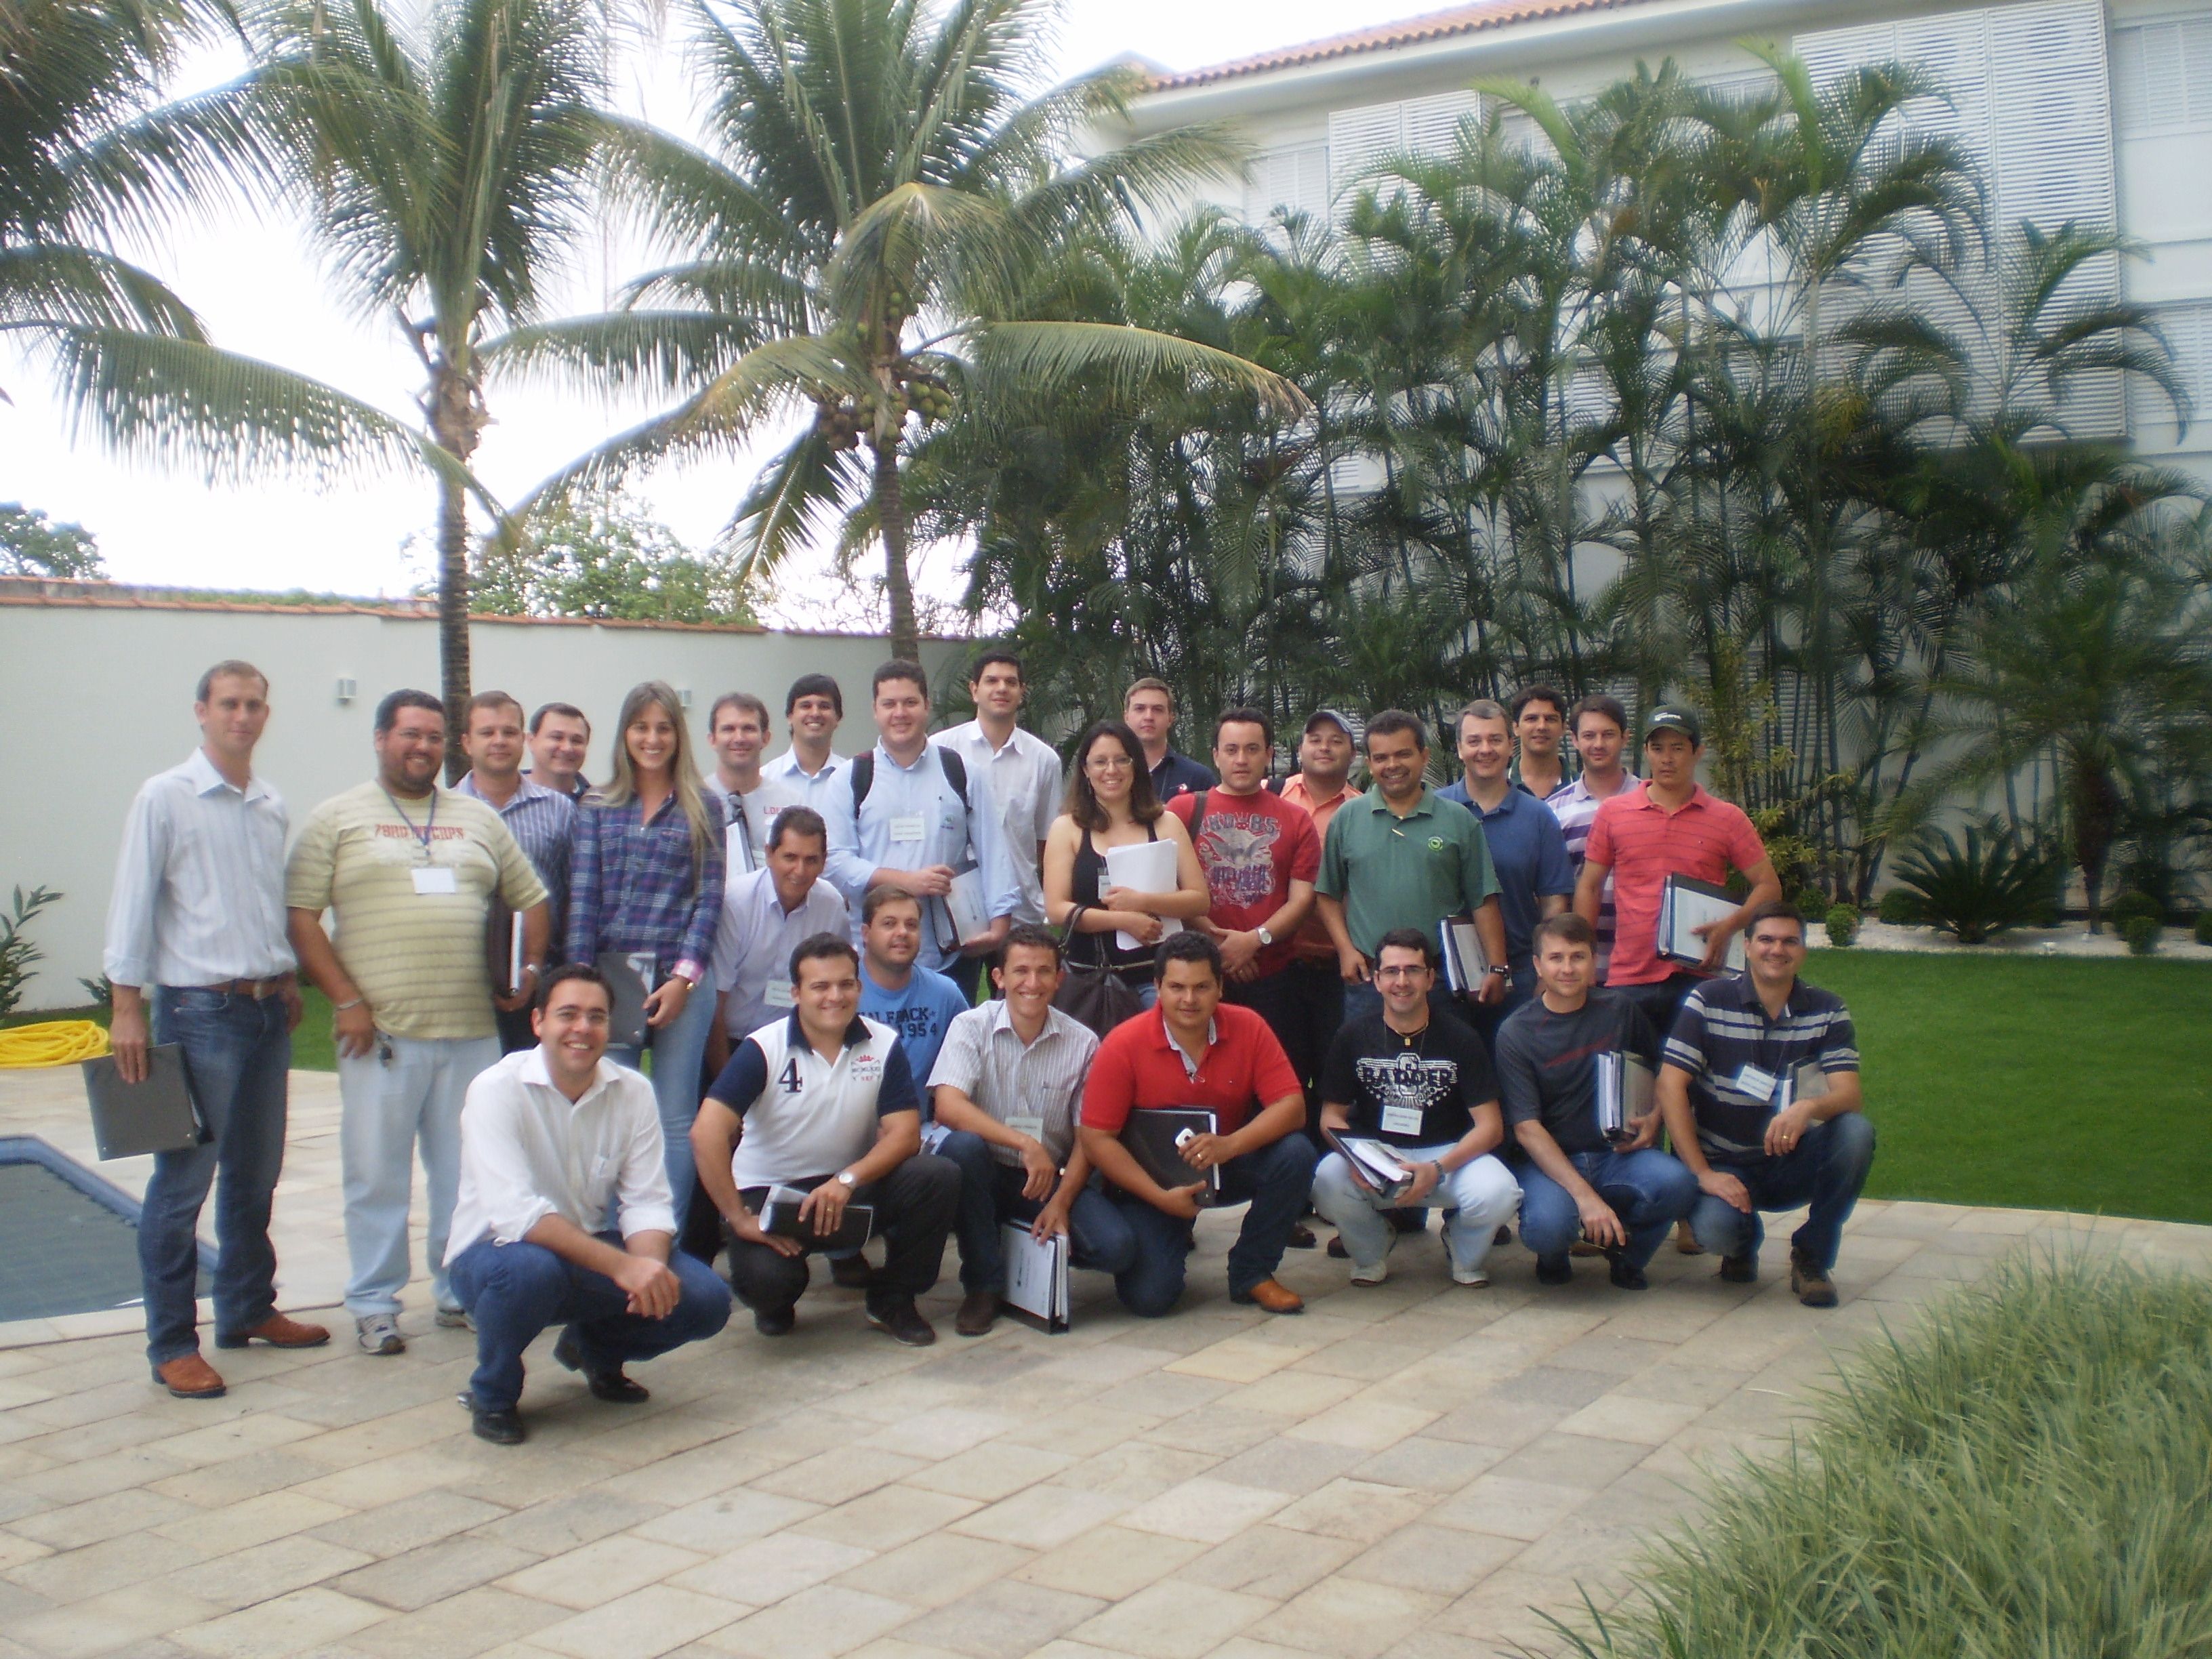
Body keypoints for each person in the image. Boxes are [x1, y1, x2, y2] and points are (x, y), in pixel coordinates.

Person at [287, 689, 550, 1355]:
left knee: (467, 1175)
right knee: (375, 1176)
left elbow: (533, 899)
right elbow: (299, 917)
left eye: (434, 737)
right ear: (381, 739)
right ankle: (375, 1304)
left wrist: (529, 969)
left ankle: (458, 1289)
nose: (422, 748)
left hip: (470, 1033)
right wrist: (346, 999)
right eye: (410, 735)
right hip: (381, 1036)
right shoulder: (336, 818)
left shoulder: (478, 819)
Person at [105, 661, 327, 1399]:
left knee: (256, 1174)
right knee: (183, 1182)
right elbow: (133, 901)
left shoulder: (269, 804)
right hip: (198, 1012)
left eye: (255, 704)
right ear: (201, 710)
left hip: (266, 1011)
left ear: (267, 713)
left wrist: (288, 975)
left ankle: (247, 1308)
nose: (243, 716)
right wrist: (126, 1006)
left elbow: (265, 903)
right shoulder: (164, 798)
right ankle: (172, 1342)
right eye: (229, 703)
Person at [444, 965, 732, 1444]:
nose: (582, 1028)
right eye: (568, 1014)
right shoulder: (496, 1089)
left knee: (706, 1300)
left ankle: (593, 1349)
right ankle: (493, 1393)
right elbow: (518, 1214)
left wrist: (649, 1272)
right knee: (532, 1272)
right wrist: (625, 1269)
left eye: (596, 1017)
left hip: (588, 1250)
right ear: (538, 1022)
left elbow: (647, 1200)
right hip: (495, 1255)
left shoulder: (633, 1091)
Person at [692, 933, 960, 1345]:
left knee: (935, 1175)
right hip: (770, 1194)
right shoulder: (763, 1048)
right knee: (769, 1281)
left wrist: (846, 1180)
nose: (834, 996)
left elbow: (905, 1135)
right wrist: (737, 1217)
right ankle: (776, 1303)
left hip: (845, 1188)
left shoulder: (883, 1043)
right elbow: (706, 1131)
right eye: (820, 986)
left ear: (859, 986)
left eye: (845, 984)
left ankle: (893, 1298)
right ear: (796, 993)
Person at [1078, 933, 1318, 1317]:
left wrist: (1232, 1145)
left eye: (1202, 987)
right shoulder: (1123, 1044)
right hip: (1152, 1182)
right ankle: (1167, 1235)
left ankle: (1253, 1272)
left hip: (1224, 1162)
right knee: (1151, 1299)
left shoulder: (1249, 1027)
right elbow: (1096, 1138)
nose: (1189, 1000)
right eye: (1177, 987)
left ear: (1220, 987)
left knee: (1296, 1153)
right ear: (1157, 987)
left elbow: (1292, 1107)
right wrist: (1160, 1199)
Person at [1658, 902, 1875, 1307]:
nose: (1778, 950)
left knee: (1856, 1132)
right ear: (1747, 946)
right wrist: (1703, 1174)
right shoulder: (1708, 1000)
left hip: (1791, 1159)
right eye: (1767, 940)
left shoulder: (1827, 1009)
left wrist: (1807, 1109)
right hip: (1725, 1162)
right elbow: (1671, 1086)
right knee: (1716, 1232)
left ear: (1804, 950)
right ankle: (1741, 1245)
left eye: (1790, 941)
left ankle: (1812, 1256)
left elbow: (1850, 1096)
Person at [567, 680, 726, 1227]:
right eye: (641, 727)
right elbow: (583, 899)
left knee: (675, 1117)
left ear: (678, 736)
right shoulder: (596, 806)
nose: (652, 739)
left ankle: (666, 1242)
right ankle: (613, 1237)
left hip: (683, 979)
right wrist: (583, 987)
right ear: (625, 734)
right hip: (615, 982)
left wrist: (684, 976)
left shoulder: (704, 804)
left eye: (663, 728)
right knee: (612, 1114)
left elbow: (709, 900)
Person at [931, 925, 1135, 1336]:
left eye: (1044, 972)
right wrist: (1023, 1142)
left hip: (1044, 1179)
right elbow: (948, 1107)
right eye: (1021, 971)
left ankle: (1012, 1239)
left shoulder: (1083, 1043)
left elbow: (1088, 1137)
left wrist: (1061, 1201)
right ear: (999, 978)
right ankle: (983, 1287)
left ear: (1060, 979)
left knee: (1117, 1248)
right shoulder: (971, 1025)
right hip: (984, 1170)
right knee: (963, 1148)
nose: (1032, 983)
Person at [1494, 914, 1696, 1290]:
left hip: (1616, 1155)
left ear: (1593, 961)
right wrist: (1586, 1198)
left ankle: (1629, 1256)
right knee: (1547, 1228)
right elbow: (1527, 1128)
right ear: (1538, 965)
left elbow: (1661, 1075)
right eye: (1556, 958)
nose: (1567, 968)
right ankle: (1552, 1255)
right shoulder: (1516, 1032)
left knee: (1678, 1183)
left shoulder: (1620, 1010)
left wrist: (1654, 1118)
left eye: (1578, 957)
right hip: (1549, 1161)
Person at [1311, 930, 1520, 1288]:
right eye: (1391, 971)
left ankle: (1462, 1244)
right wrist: (1357, 1159)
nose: (1402, 981)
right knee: (1327, 1180)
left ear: (1430, 978)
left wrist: (1436, 1168)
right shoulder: (1353, 1036)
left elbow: (1491, 1127)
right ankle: (1372, 1246)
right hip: (1379, 1155)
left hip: (1448, 1155)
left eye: (1413, 970)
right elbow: (1331, 1117)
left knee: (1500, 1191)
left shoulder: (1461, 1037)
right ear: (1376, 981)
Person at [1576, 705, 1782, 1035]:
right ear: (1645, 752)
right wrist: (1583, 957)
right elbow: (1589, 887)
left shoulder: (1727, 818)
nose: (1666, 759)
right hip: (1630, 976)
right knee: (1630, 1078)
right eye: (1657, 749)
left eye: (1678, 748)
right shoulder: (1613, 813)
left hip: (1700, 974)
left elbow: (1769, 887)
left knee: (1694, 1081)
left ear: (1698, 752)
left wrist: (1730, 926)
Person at [823, 659, 1017, 1000]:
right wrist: (906, 882)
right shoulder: (851, 779)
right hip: (873, 959)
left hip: (951, 953)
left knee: (950, 1049)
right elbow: (835, 861)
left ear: (927, 706)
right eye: (889, 704)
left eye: (910, 702)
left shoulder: (962, 772)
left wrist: (1000, 925)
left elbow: (995, 851)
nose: (900, 713)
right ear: (875, 710)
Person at [1315, 710, 1508, 1025]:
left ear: (1424, 756)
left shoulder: (1459, 820)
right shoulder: (1347, 818)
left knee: (1443, 1069)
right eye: (1381, 757)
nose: (1392, 766)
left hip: (1442, 978)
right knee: (1370, 1068)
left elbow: (1482, 898)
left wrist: (1497, 967)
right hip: (1370, 981)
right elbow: (1327, 893)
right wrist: (1345, 950)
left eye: (1403, 754)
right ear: (1369, 763)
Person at [1043, 720, 1210, 1006]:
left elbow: (1199, 900)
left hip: (1157, 981)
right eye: (1100, 762)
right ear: (1085, 769)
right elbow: (1057, 909)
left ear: (1137, 766)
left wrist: (1143, 901)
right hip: (1091, 981)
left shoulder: (1166, 822)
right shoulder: (1066, 828)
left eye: (1122, 760)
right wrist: (1123, 920)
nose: (1111, 770)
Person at [1437, 700, 1574, 1033]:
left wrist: (1547, 974)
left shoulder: (1538, 816)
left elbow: (1554, 902)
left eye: (1495, 740)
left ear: (1511, 745)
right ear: (1459, 749)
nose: (1485, 750)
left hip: (1520, 974)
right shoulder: (1435, 810)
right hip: (1443, 976)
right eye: (1474, 741)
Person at [456, 691, 575, 1054]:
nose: (499, 741)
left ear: (523, 740)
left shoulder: (559, 810)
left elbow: (577, 897)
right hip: (466, 982)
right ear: (466, 742)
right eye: (487, 732)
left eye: (508, 732)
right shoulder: (446, 813)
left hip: (540, 979)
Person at [708, 806, 848, 1073]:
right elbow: (717, 1003)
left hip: (796, 1050)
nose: (800, 870)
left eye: (811, 860)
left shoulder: (831, 906)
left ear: (824, 861)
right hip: (729, 1043)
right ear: (770, 854)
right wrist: (726, 1084)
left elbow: (838, 990)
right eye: (790, 857)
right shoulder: (736, 902)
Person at [934, 651, 1061, 926]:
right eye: (992, 681)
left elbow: (1045, 841)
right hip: (955, 909)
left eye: (1011, 682)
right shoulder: (940, 751)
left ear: (1022, 691)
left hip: (1022, 909)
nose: (1002, 688)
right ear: (974, 690)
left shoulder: (1044, 760)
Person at [1277, 710, 1359, 1127]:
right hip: (1279, 959)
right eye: (1315, 739)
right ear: (1300, 749)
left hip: (1337, 963)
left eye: (1336, 740)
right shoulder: (1273, 797)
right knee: (1284, 1069)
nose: (1324, 747)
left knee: (1333, 1066)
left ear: (1353, 753)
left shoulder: (1364, 811)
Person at [1548, 695, 1639, 981]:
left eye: (1608, 734)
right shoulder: (1554, 810)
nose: (1598, 744)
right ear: (1573, 740)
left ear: (1625, 738)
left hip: (1642, 960)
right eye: (1589, 735)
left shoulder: (1650, 801)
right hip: (1580, 965)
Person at [857, 884, 970, 1088]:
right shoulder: (841, 992)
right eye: (889, 924)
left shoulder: (945, 994)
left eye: (911, 925)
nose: (902, 932)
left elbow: (970, 1063)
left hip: (924, 1118)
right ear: (866, 933)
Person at [704, 692, 801, 877]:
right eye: (728, 729)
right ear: (712, 739)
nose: (739, 738)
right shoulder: (691, 801)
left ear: (766, 738)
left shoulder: (792, 804)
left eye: (748, 729)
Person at [1122, 676, 1216, 804]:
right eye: (1140, 709)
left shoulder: (1197, 777)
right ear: (1126, 716)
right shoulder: (1111, 774)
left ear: (1171, 718)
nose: (1148, 716)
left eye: (1157, 710)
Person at [764, 673, 848, 810]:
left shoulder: (853, 779)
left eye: (824, 706)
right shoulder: (766, 779)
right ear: (790, 716)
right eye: (805, 706)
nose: (815, 713)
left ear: (837, 718)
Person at [1509, 684, 1573, 801]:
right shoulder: (1498, 788)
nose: (1541, 726)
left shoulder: (1585, 789)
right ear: (1516, 728)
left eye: (1550, 719)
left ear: (1564, 728)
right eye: (1532, 719)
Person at [526, 702, 592, 801]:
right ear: (531, 741)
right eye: (557, 737)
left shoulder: (601, 807)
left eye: (576, 741)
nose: (568, 748)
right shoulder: (503, 798)